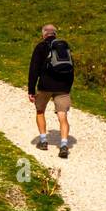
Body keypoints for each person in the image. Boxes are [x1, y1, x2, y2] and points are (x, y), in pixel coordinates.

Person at [28, 24, 73, 158]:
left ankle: (43, 141)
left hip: (45, 86)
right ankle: (64, 144)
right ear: (55, 34)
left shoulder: (41, 47)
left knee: (40, 110)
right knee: (62, 115)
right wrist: (67, 87)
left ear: (44, 34)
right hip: (63, 87)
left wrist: (31, 90)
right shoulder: (65, 47)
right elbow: (72, 69)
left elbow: (33, 70)